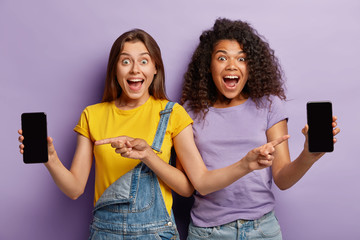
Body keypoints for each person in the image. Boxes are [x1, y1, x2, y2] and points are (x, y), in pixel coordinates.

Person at [17, 28, 289, 239]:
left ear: (155, 67)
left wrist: (148, 155)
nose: (135, 69)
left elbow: (187, 187)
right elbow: (75, 188)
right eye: (126, 61)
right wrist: (50, 158)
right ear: (115, 68)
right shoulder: (92, 115)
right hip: (105, 233)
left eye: (144, 61)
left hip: (157, 232)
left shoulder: (172, 113)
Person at [180, 18, 340, 239]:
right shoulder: (189, 111)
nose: (232, 65)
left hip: (262, 230)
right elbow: (201, 184)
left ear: (251, 65)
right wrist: (245, 165)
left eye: (242, 58)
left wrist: (308, 155)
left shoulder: (269, 105)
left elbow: (282, 179)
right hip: (208, 232)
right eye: (222, 57)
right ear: (208, 66)